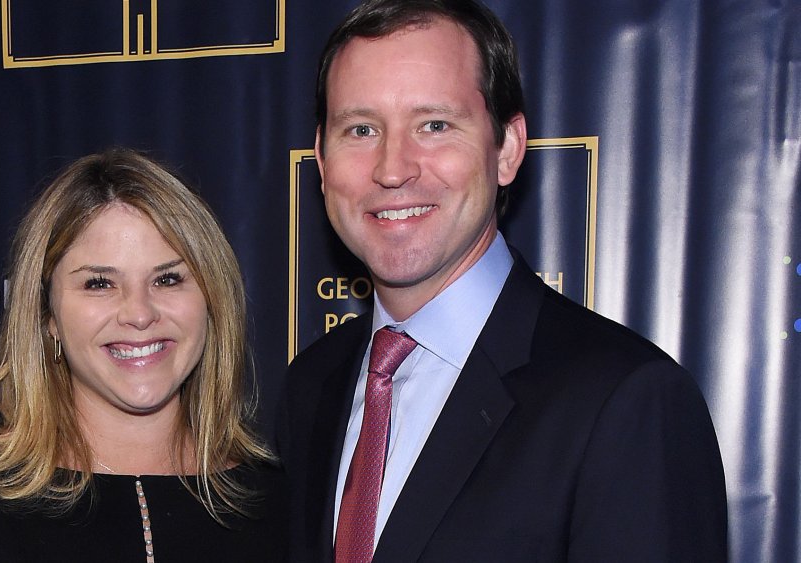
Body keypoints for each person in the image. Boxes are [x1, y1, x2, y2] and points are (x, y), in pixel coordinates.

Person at [277, 1, 727, 562]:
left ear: (508, 149)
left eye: (434, 125)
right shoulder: (310, 388)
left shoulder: (625, 402)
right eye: (361, 128)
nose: (392, 168)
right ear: (321, 159)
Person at [0, 148, 286, 562]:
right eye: (99, 284)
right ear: (47, 315)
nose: (140, 314)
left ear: (212, 300)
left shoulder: (286, 505)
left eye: (167, 278)